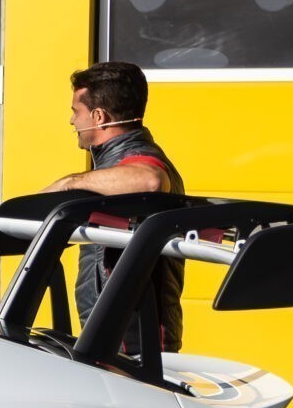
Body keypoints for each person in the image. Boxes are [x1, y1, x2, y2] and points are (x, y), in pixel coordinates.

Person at [41, 60, 185, 353]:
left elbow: (150, 179)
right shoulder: (113, 165)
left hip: (133, 345)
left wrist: (70, 182)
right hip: (116, 340)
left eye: (75, 111)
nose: (72, 121)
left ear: (98, 116)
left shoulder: (140, 158)